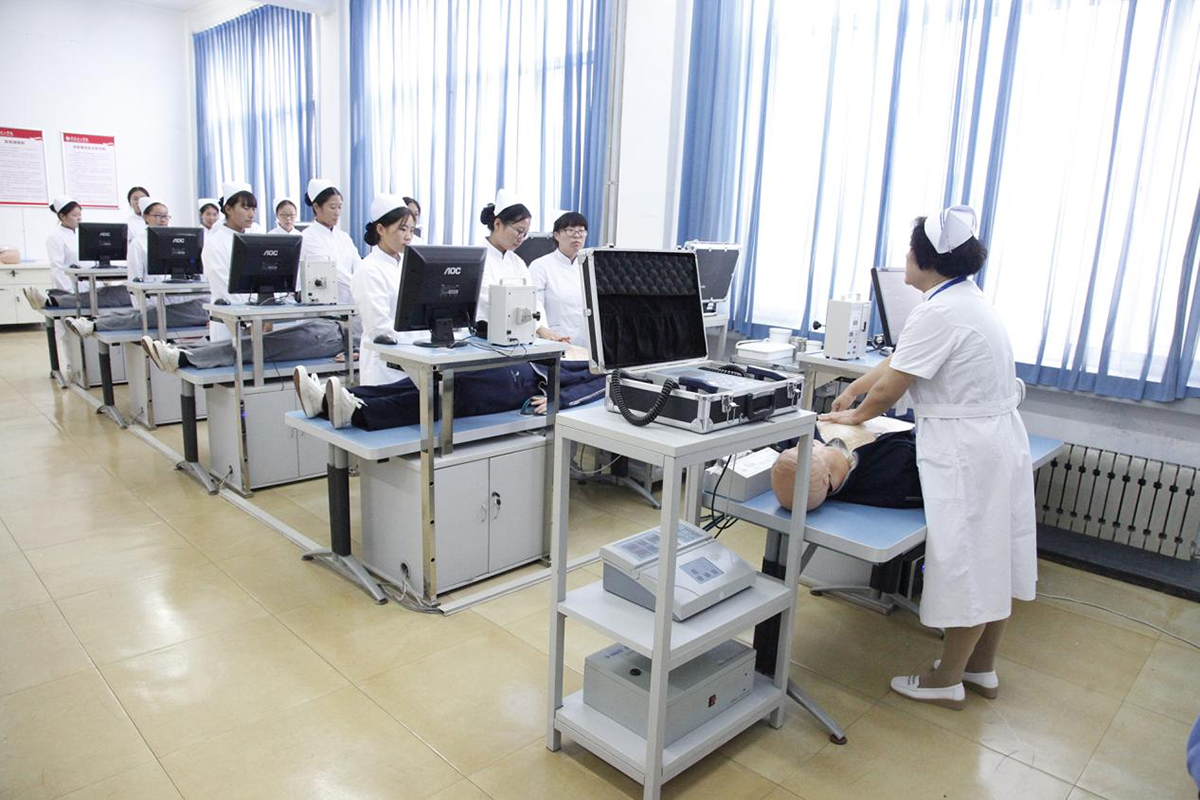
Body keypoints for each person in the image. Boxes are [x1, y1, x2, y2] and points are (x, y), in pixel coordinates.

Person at [819, 205, 1035, 710]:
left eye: (910, 250)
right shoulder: (964, 300)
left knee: (968, 564)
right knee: (992, 558)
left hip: (968, 451)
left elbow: (892, 388)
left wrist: (853, 416)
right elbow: (898, 361)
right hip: (994, 441)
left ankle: (946, 681)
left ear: (927, 259)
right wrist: (852, 389)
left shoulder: (938, 311)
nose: (904, 257)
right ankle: (980, 668)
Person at [293, 344, 605, 430]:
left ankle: (359, 413)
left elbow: (599, 386)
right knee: (423, 382)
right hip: (515, 362)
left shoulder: (613, 364)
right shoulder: (598, 344)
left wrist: (560, 399)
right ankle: (328, 402)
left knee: (446, 398)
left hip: (523, 384)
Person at [61, 197, 210, 337]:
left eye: (166, 216)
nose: (163, 220)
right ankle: (94, 323)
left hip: (183, 299)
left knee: (146, 315)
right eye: (158, 216)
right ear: (145, 217)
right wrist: (144, 306)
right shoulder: (138, 244)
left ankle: (92, 322)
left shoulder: (181, 239)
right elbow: (135, 282)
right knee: (142, 316)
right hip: (152, 301)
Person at [770, 419, 923, 511]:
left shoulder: (812, 448)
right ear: (826, 478)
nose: (799, 445)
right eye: (802, 451)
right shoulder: (896, 466)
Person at [478, 190, 567, 342]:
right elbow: (491, 300)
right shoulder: (479, 259)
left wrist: (544, 331)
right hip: (486, 336)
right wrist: (539, 329)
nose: (521, 238)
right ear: (497, 224)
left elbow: (533, 299)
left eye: (525, 234)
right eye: (519, 231)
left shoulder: (517, 262)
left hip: (521, 335)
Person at [23, 196, 132, 311]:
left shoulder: (85, 233)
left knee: (114, 293)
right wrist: (70, 292)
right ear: (62, 216)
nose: (79, 218)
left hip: (93, 284)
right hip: (72, 286)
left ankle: (49, 301)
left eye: (80, 214)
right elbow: (57, 268)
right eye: (74, 215)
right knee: (85, 300)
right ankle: (51, 301)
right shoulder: (55, 237)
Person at [351, 195, 417, 386]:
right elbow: (380, 330)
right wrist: (420, 342)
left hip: (415, 360)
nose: (408, 236)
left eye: (412, 230)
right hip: (385, 369)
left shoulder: (409, 265)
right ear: (380, 229)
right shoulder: (368, 269)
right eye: (402, 229)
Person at [201, 181, 257, 341]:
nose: (251, 214)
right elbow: (223, 288)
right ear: (228, 209)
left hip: (256, 318)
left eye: (253, 209)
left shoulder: (254, 240)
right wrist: (248, 321)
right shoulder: (215, 242)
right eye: (245, 208)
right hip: (230, 322)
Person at [529, 211, 590, 348]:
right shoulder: (540, 266)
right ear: (556, 235)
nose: (577, 235)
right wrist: (545, 332)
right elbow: (534, 305)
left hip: (585, 342)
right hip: (553, 339)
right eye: (570, 230)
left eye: (581, 231)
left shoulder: (590, 265)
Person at [299, 179, 358, 305]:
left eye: (339, 207)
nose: (337, 212)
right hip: (321, 310)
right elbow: (332, 271)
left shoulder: (344, 237)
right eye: (332, 207)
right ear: (316, 207)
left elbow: (359, 267)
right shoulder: (307, 237)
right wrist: (359, 286)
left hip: (349, 306)